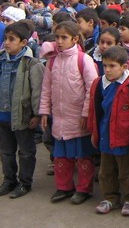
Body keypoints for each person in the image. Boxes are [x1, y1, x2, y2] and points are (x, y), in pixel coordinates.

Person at [39, 21, 99, 204]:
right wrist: (44, 112)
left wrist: (85, 114)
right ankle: (64, 187)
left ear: (74, 39)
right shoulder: (52, 62)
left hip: (78, 119)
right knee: (61, 156)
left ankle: (84, 189)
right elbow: (46, 89)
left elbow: (92, 89)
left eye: (64, 37)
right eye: (57, 37)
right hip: (59, 118)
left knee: (83, 156)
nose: (59, 41)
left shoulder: (83, 60)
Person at [87, 46, 129, 216]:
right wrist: (94, 131)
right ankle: (110, 198)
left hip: (124, 137)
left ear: (124, 66)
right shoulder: (98, 84)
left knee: (127, 171)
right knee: (106, 171)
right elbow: (95, 110)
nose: (107, 70)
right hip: (105, 135)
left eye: (112, 66)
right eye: (105, 65)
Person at [0, 21, 45, 199]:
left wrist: (37, 114)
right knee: (6, 152)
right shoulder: (1, 60)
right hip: (2, 115)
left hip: (22, 117)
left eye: (12, 39)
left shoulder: (31, 64)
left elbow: (37, 91)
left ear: (24, 42)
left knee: (26, 152)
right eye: (5, 38)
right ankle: (9, 180)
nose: (7, 43)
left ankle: (25, 182)